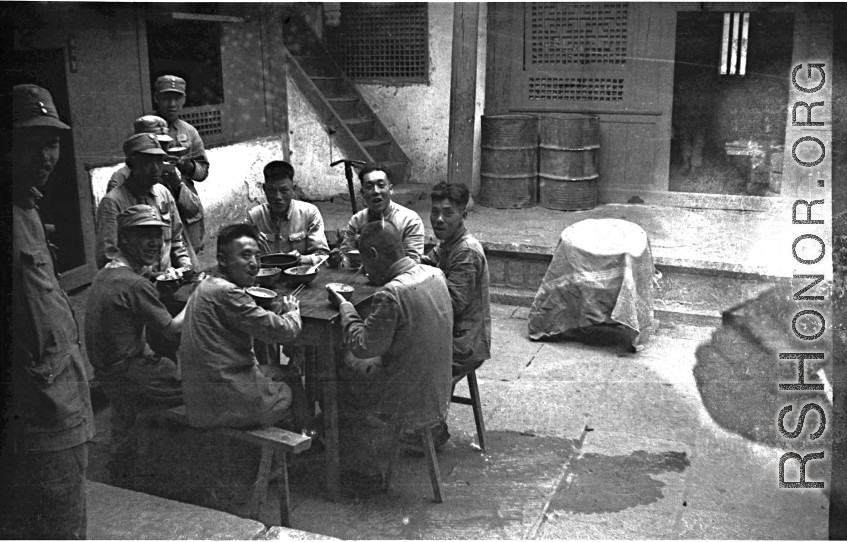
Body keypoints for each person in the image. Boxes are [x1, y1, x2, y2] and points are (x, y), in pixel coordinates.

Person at [3, 84, 95, 539]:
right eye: (29, 144)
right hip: (37, 420)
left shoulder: (28, 208)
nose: (45, 156)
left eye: (52, 142)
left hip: (62, 405)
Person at [326, 221, 453, 480]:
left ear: (373, 255)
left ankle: (355, 466)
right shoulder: (435, 274)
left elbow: (362, 346)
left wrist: (345, 307)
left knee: (335, 367)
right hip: (436, 388)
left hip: (404, 395)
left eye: (364, 261)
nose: (363, 269)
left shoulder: (392, 293)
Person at [84, 205, 185, 479]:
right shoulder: (135, 284)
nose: (154, 243)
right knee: (201, 384)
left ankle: (123, 463)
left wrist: (154, 289)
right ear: (124, 239)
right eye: (144, 236)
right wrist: (202, 293)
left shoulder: (105, 273)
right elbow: (173, 331)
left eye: (157, 236)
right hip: (132, 375)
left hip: (106, 375)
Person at [178, 223, 311, 430]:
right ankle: (307, 439)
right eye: (245, 256)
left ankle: (303, 434)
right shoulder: (229, 293)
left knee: (284, 373)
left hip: (201, 397)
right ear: (222, 260)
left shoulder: (205, 284)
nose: (254, 264)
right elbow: (285, 331)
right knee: (289, 388)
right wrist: (292, 312)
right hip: (223, 400)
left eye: (257, 257)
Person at [421, 182, 491, 448]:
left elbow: (452, 303)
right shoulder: (447, 244)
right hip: (450, 333)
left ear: (462, 216)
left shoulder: (466, 251)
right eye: (435, 211)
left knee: (407, 358)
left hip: (465, 343)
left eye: (447, 213)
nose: (439, 219)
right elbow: (426, 264)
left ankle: (430, 428)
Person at [108, 115, 202, 269]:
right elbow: (111, 250)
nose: (160, 148)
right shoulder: (120, 180)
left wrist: (176, 183)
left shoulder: (170, 171)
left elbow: (193, 210)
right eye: (155, 143)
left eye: (164, 143)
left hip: (176, 252)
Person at [95, 132, 192, 275]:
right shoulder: (113, 202)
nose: (155, 168)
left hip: (168, 283)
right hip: (136, 288)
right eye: (147, 162)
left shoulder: (163, 194)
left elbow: (176, 241)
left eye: (159, 161)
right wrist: (148, 277)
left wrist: (186, 266)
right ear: (131, 165)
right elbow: (107, 257)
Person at [154, 75, 210, 256]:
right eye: (166, 98)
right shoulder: (146, 130)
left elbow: (203, 172)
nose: (172, 104)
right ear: (156, 98)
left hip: (184, 203)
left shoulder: (189, 132)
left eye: (177, 98)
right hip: (155, 202)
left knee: (190, 254)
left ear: (184, 100)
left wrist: (187, 165)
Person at [329, 163, 425, 268]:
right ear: (362, 193)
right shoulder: (357, 220)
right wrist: (338, 261)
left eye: (381, 185)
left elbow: (413, 262)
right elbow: (348, 259)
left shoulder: (410, 220)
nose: (375, 191)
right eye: (369, 187)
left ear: (391, 189)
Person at [246, 160, 330, 264]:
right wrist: (248, 237)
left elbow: (322, 254)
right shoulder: (253, 217)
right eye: (272, 190)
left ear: (293, 189)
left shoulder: (309, 213)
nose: (278, 197)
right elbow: (239, 255)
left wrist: (300, 259)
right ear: (264, 189)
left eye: (284, 190)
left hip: (300, 275)